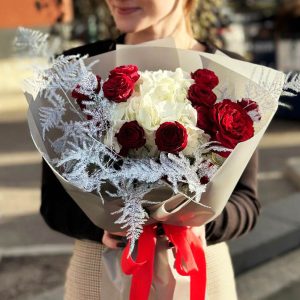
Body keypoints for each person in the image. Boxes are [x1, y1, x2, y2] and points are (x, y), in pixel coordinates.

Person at [40, 0, 260, 299]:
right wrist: (104, 228)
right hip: (100, 272)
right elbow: (53, 203)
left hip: (199, 269)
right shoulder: (77, 69)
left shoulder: (230, 73)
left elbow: (246, 203)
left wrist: (197, 225)